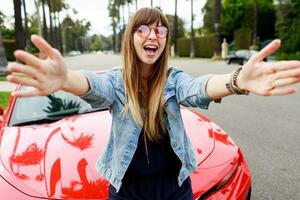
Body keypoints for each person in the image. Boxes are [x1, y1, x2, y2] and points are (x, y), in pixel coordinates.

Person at [6, 7, 300, 200]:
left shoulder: (174, 80)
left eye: (160, 30)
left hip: (174, 187)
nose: (153, 35)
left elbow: (198, 87)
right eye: (143, 29)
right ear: (131, 38)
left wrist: (237, 81)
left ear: (165, 40)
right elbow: (94, 85)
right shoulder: (116, 82)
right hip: (126, 188)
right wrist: (65, 78)